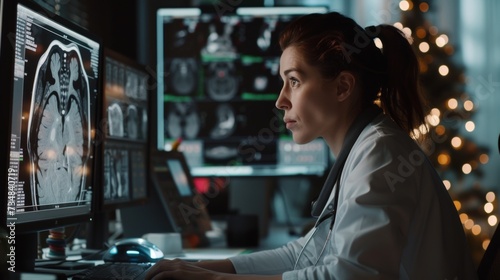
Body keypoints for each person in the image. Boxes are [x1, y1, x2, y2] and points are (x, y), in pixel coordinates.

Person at [146, 11, 477, 280]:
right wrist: (203, 268)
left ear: (342, 87)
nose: (280, 101)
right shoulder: (361, 148)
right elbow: (306, 253)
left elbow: (350, 276)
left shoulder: (380, 155)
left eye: (294, 81)